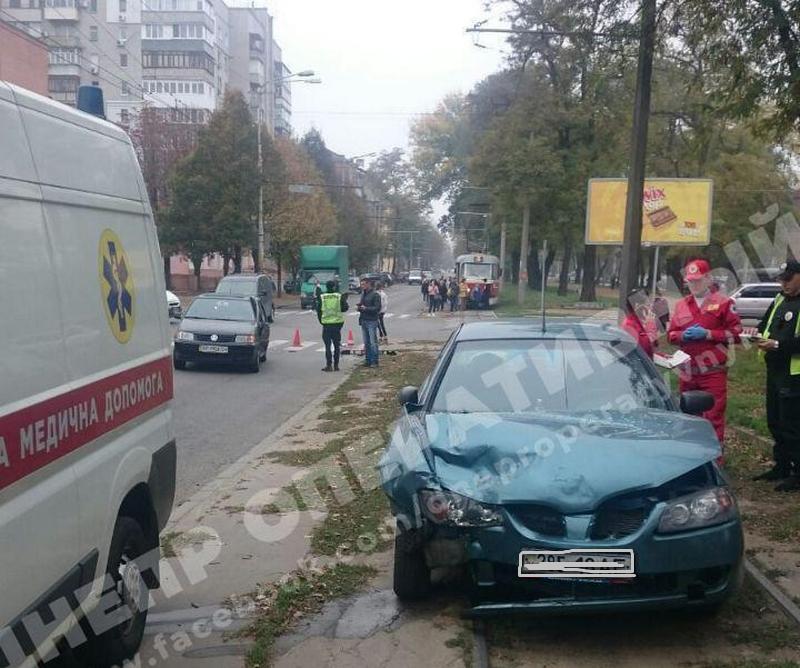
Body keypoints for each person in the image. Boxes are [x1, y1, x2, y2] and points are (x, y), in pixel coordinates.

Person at [667, 258, 742, 444]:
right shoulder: (682, 305)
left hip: (712, 373)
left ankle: (714, 462)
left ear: (708, 279)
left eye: (698, 280)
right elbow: (671, 335)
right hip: (688, 373)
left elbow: (737, 334)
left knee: (713, 417)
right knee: (688, 417)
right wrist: (682, 336)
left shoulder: (724, 303)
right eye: (690, 281)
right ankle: (691, 456)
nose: (694, 284)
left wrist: (709, 334)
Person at [750, 260, 800, 490]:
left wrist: (778, 345)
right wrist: (755, 334)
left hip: (794, 373)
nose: (783, 283)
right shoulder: (780, 298)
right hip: (775, 369)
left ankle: (797, 473)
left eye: (788, 279)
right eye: (781, 278)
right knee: (775, 421)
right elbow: (765, 323)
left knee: (792, 424)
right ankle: (781, 465)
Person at [316, 279, 348, 372]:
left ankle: (329, 365)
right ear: (334, 286)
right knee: (337, 345)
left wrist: (321, 321)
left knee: (327, 346)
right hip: (337, 324)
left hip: (326, 324)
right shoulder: (339, 296)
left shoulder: (322, 297)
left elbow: (319, 310)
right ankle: (336, 365)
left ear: (326, 287)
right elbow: (345, 308)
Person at [621, 291, 658, 359]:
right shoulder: (629, 325)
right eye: (647, 305)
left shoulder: (639, 321)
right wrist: (650, 326)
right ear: (637, 306)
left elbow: (652, 347)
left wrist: (661, 355)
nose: (649, 308)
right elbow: (644, 348)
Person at [357, 278, 381, 367]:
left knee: (373, 342)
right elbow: (362, 304)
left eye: (363, 284)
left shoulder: (375, 295)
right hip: (363, 319)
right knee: (366, 342)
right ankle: (368, 360)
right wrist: (359, 307)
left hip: (372, 320)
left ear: (368, 284)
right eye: (361, 284)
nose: (361, 286)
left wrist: (366, 308)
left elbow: (377, 308)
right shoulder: (363, 294)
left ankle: (374, 361)